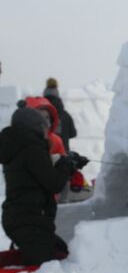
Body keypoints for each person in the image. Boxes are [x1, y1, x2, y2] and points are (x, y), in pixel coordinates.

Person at [1, 106, 77, 264]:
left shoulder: (18, 147)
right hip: (30, 220)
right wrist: (66, 165)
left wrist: (66, 164)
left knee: (60, 252)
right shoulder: (32, 149)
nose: (47, 131)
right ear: (36, 128)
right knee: (44, 267)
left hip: (21, 218)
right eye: (45, 126)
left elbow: (38, 175)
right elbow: (54, 183)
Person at [43, 78, 77, 154]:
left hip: (44, 154)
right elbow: (73, 133)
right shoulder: (65, 115)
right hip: (62, 154)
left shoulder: (38, 114)